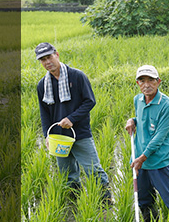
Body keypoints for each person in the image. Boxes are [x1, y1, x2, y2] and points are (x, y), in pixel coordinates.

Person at [35, 42, 112, 202]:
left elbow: (89, 101)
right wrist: (47, 136)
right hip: (58, 137)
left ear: (57, 54)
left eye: (49, 57)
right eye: (42, 59)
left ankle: (106, 202)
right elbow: (45, 114)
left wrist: (72, 118)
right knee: (67, 173)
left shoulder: (77, 76)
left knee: (93, 169)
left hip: (80, 133)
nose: (47, 62)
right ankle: (75, 203)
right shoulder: (42, 85)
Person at [125, 65, 169, 222]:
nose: (147, 85)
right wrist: (133, 121)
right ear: (138, 83)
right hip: (140, 161)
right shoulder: (138, 100)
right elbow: (142, 119)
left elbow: (159, 136)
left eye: (151, 80)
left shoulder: (168, 105)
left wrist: (142, 158)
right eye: (142, 81)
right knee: (144, 200)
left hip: (159, 162)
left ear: (158, 82)